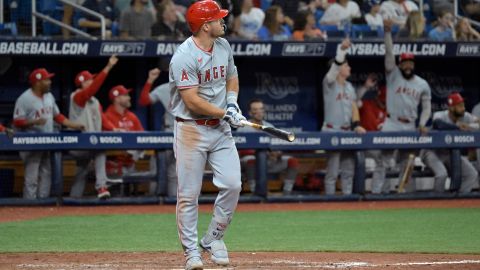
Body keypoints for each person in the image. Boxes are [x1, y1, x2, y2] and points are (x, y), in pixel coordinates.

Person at [170, 1, 246, 269]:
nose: (222, 22)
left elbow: (232, 77)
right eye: (217, 19)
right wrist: (223, 112)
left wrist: (233, 103)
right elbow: (191, 101)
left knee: (233, 183)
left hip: (220, 129)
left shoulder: (223, 46)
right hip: (191, 128)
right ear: (205, 26)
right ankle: (191, 252)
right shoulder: (183, 56)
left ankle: (213, 238)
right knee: (189, 195)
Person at [13, 68, 84, 199]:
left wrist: (73, 125)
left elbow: (57, 116)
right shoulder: (24, 98)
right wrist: (33, 122)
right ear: (37, 82)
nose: (50, 82)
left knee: (46, 174)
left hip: (48, 141)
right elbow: (17, 121)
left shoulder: (49, 96)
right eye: (47, 79)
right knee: (32, 177)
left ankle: (43, 204)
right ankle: (29, 205)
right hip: (30, 143)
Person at [382, 19, 432, 192]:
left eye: (410, 62)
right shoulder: (394, 75)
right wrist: (387, 33)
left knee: (408, 161)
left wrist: (423, 123)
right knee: (384, 160)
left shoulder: (422, 84)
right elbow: (389, 54)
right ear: (400, 64)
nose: (408, 65)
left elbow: (426, 108)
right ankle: (381, 193)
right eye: (405, 62)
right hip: (391, 123)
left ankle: (406, 193)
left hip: (410, 124)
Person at [69, 55, 123, 199]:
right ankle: (102, 186)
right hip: (77, 143)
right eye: (89, 80)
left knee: (81, 172)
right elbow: (91, 90)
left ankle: (74, 200)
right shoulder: (77, 97)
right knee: (100, 151)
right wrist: (108, 67)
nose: (92, 81)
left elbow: (102, 119)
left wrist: (113, 129)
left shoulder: (95, 101)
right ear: (82, 83)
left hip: (89, 143)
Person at [322, 38, 367, 195]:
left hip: (348, 131)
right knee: (332, 172)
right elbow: (334, 69)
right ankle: (329, 203)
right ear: (340, 68)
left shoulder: (349, 87)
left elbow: (354, 107)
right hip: (331, 130)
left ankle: (348, 202)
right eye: (346, 65)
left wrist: (357, 125)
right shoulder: (328, 84)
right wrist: (341, 51)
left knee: (348, 170)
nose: (349, 67)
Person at [237, 99, 299, 195]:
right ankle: (255, 192)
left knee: (292, 161)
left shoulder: (270, 126)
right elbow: (238, 151)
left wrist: (277, 153)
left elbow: (278, 145)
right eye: (255, 109)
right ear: (250, 112)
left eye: (261, 109)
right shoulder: (243, 127)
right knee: (251, 160)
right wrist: (258, 153)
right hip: (250, 162)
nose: (258, 112)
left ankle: (286, 193)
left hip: (269, 160)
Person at [421, 93, 479, 193]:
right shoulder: (440, 115)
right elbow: (438, 124)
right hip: (431, 152)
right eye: (460, 106)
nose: (463, 108)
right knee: (441, 174)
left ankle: (459, 202)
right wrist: (458, 126)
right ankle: (436, 204)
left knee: (471, 173)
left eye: (463, 105)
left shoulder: (466, 116)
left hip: (449, 153)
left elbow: (478, 122)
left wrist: (470, 126)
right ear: (451, 108)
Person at [139, 68, 178, 197]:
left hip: (187, 132)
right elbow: (144, 101)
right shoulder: (165, 88)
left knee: (175, 172)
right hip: (170, 131)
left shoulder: (196, 88)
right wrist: (150, 80)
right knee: (160, 168)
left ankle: (172, 201)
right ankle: (154, 201)